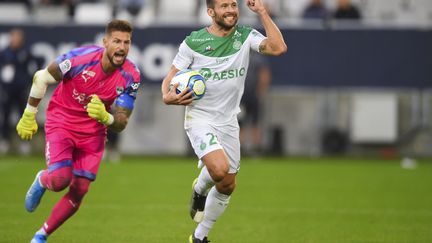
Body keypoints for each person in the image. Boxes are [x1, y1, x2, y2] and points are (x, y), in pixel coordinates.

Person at [161, 0, 287, 242]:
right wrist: (167, 96)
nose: (230, 10)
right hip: (200, 118)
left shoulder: (245, 35)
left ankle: (199, 236)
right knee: (219, 169)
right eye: (224, 6)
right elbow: (171, 76)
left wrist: (262, 11)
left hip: (229, 119)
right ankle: (200, 187)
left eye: (233, 5)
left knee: (228, 185)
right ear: (211, 12)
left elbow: (279, 47)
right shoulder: (193, 42)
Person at [16, 19, 141, 243]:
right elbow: (42, 77)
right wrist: (29, 113)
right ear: (105, 42)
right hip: (62, 122)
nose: (121, 47)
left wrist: (106, 117)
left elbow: (122, 121)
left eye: (126, 42)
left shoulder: (131, 75)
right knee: (60, 180)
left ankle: (41, 236)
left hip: (93, 133)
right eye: (116, 41)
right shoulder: (79, 59)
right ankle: (43, 180)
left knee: (80, 189)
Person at [0, 28, 41, 154]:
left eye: (18, 37)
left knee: (23, 115)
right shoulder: (4, 53)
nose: (16, 40)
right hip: (8, 89)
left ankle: (24, 143)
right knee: (5, 116)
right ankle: (5, 141)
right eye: (14, 37)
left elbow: (36, 64)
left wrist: (28, 80)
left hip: (21, 89)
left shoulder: (26, 52)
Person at [239, 51, 271, 156]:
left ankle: (256, 147)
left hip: (253, 95)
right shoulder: (238, 56)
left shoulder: (257, 58)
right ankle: (240, 147)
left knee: (255, 121)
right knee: (239, 122)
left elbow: (264, 74)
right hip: (240, 96)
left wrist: (261, 90)